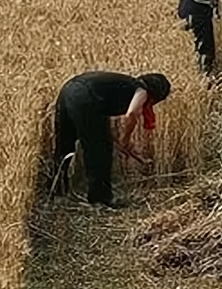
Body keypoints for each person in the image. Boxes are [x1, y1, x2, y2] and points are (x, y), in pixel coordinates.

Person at [51, 71, 171, 209]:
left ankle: (57, 193)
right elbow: (131, 114)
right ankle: (100, 200)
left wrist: (119, 142)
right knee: (99, 150)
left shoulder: (124, 85)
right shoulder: (142, 89)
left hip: (68, 90)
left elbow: (100, 124)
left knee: (65, 145)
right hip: (86, 97)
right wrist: (125, 140)